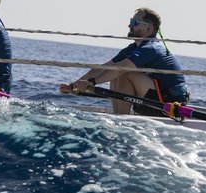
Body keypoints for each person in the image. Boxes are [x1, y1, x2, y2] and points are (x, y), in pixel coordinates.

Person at [60, 7, 189, 115]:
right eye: (131, 21)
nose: (129, 25)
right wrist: (75, 85)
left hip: (169, 105)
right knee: (114, 70)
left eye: (134, 22)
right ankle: (119, 114)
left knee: (124, 71)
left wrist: (92, 82)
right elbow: (104, 67)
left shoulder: (152, 48)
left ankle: (121, 117)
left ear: (149, 28)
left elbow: (122, 68)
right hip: (153, 97)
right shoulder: (133, 48)